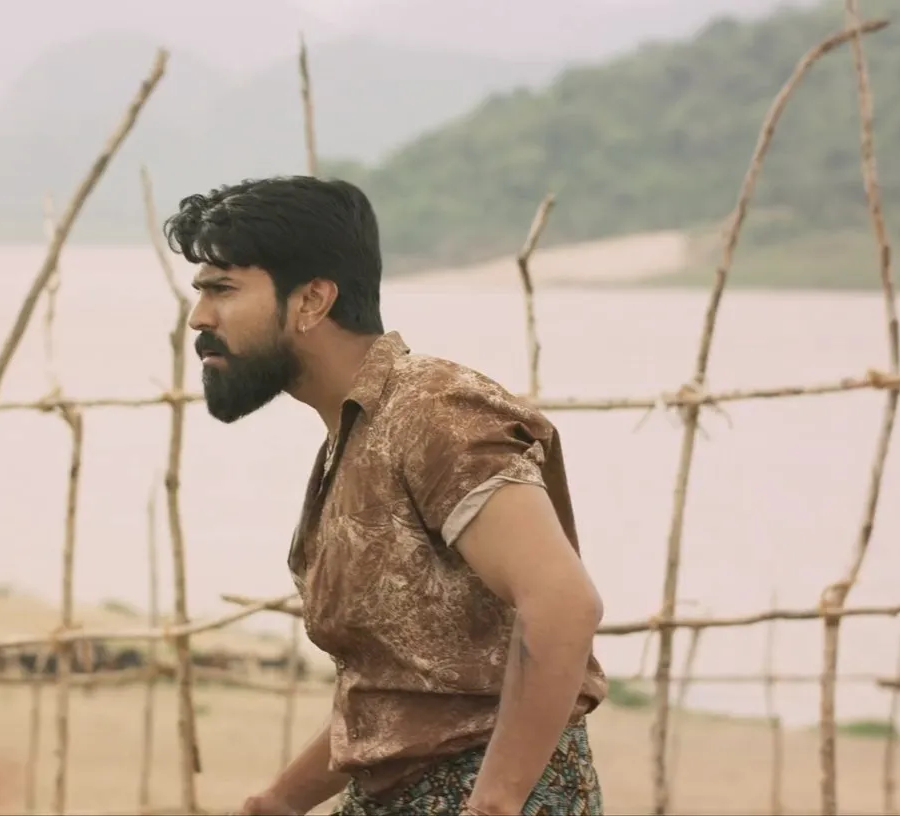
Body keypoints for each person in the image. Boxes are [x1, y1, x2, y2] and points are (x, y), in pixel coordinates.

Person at [165, 176, 609, 816]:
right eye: (200, 292)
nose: (199, 318)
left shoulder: (433, 409)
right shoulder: (355, 435)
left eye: (222, 290)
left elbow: (562, 603)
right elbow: (407, 696)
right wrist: (280, 800)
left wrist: (495, 802)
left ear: (312, 300)